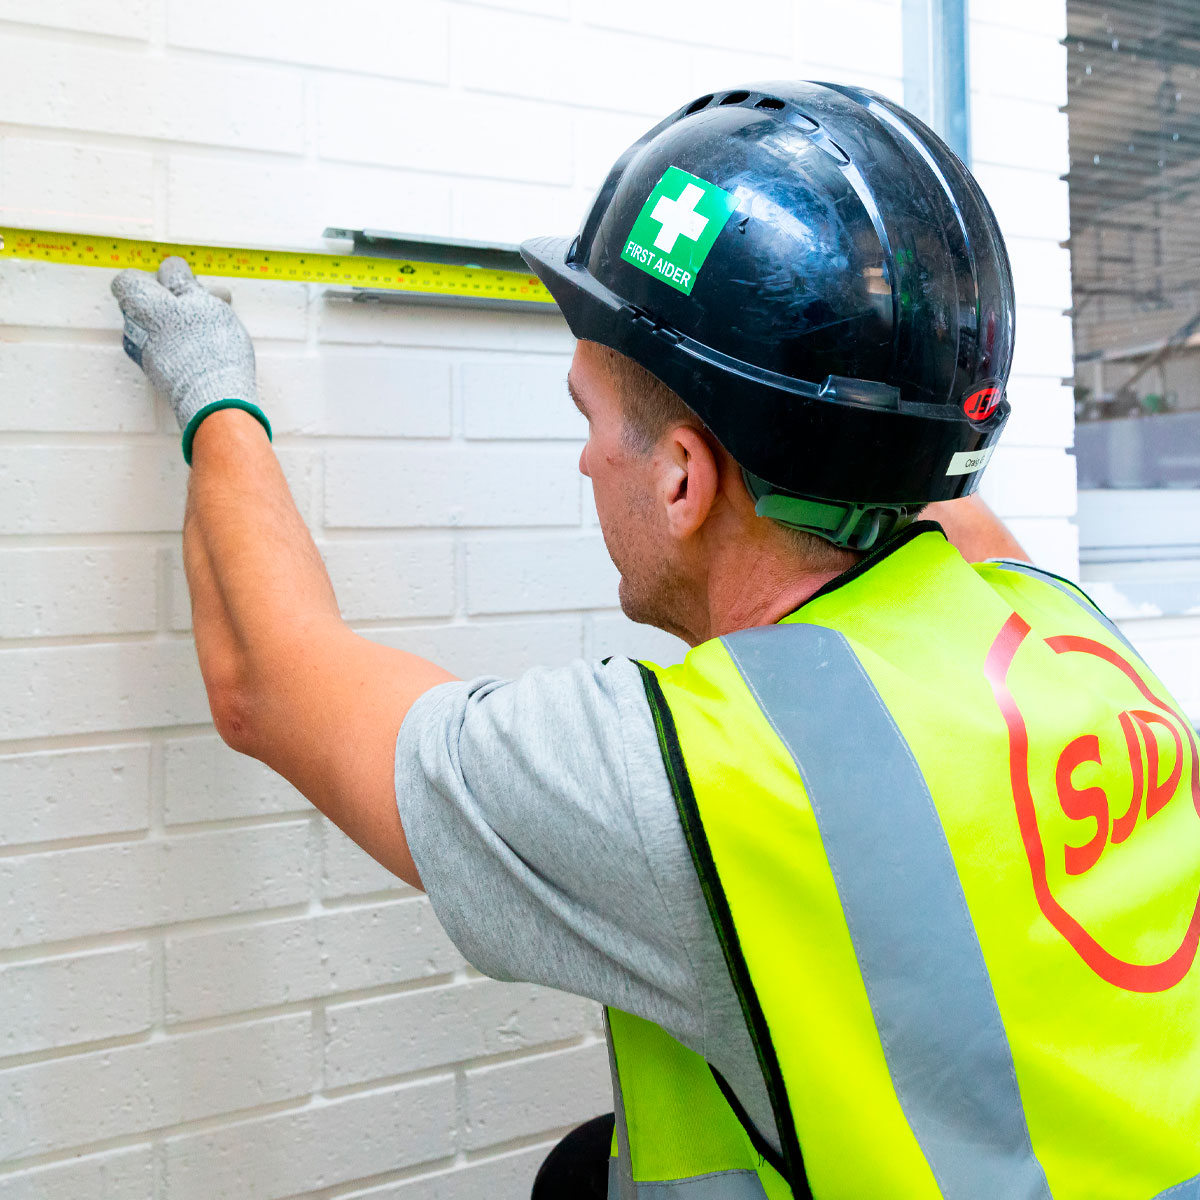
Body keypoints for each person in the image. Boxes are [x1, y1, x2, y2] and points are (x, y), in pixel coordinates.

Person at [110, 81, 1200, 1200]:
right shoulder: (1058, 626)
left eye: (591, 419)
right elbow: (910, 466)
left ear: (684, 478)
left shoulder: (699, 780)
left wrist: (213, 394)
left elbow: (264, 679)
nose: (585, 461)